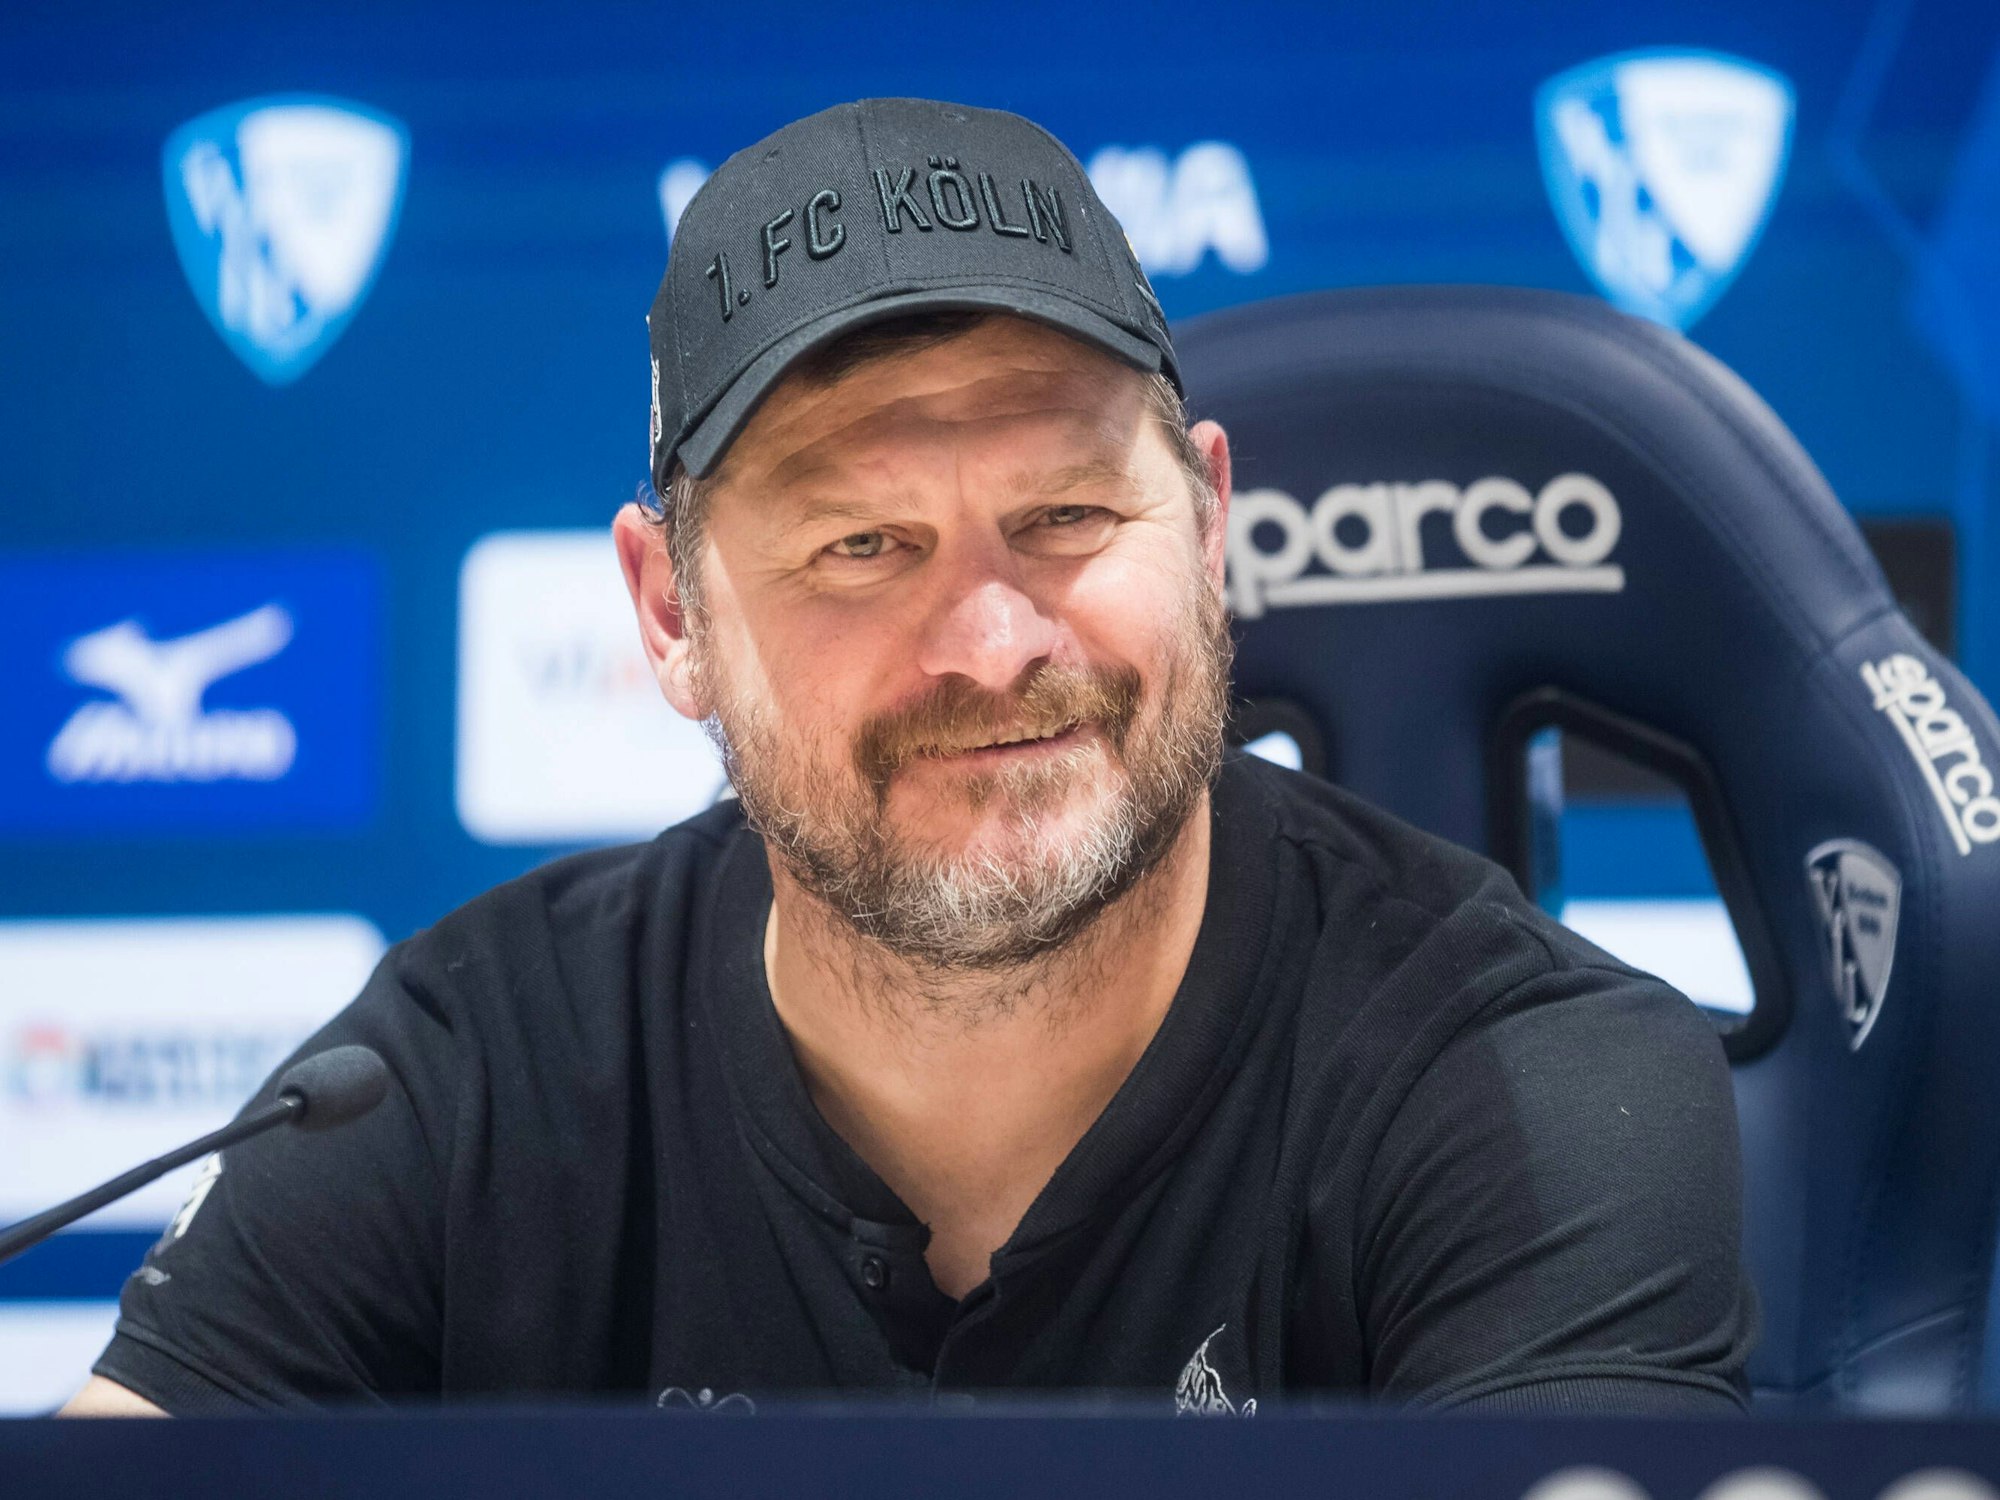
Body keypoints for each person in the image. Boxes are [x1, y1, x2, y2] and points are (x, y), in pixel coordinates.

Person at [66, 97, 1756, 1417]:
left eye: (1071, 514)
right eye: (862, 546)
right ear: (671, 615)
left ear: (1214, 526)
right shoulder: (461, 1082)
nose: (996, 639)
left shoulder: (1536, 1089)